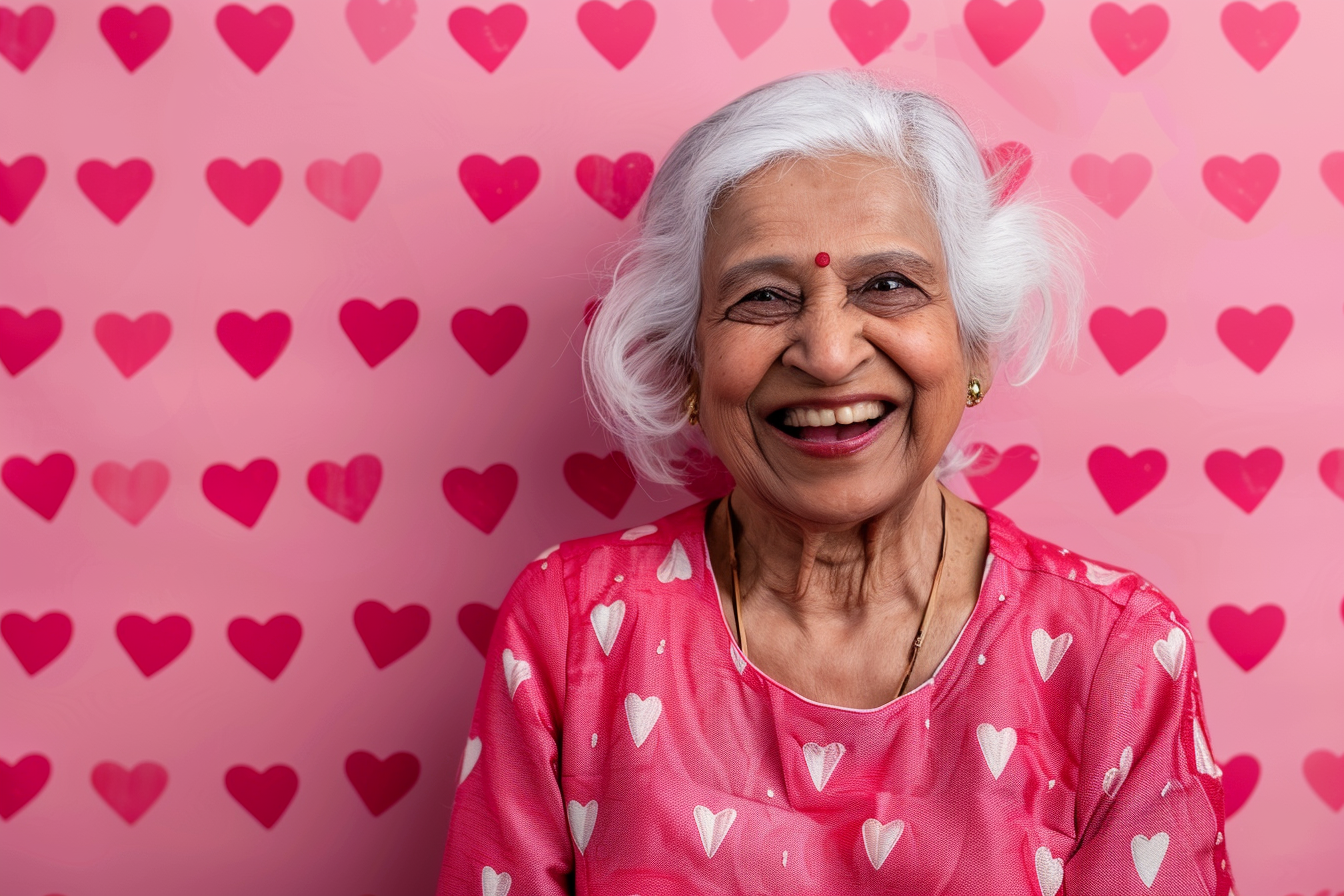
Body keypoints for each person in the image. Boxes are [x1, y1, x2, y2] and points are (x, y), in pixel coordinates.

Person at [438, 70, 1232, 895]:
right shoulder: (574, 627)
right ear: (688, 364)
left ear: (975, 346)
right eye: (763, 296)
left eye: (887, 285)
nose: (826, 353)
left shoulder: (1114, 651)